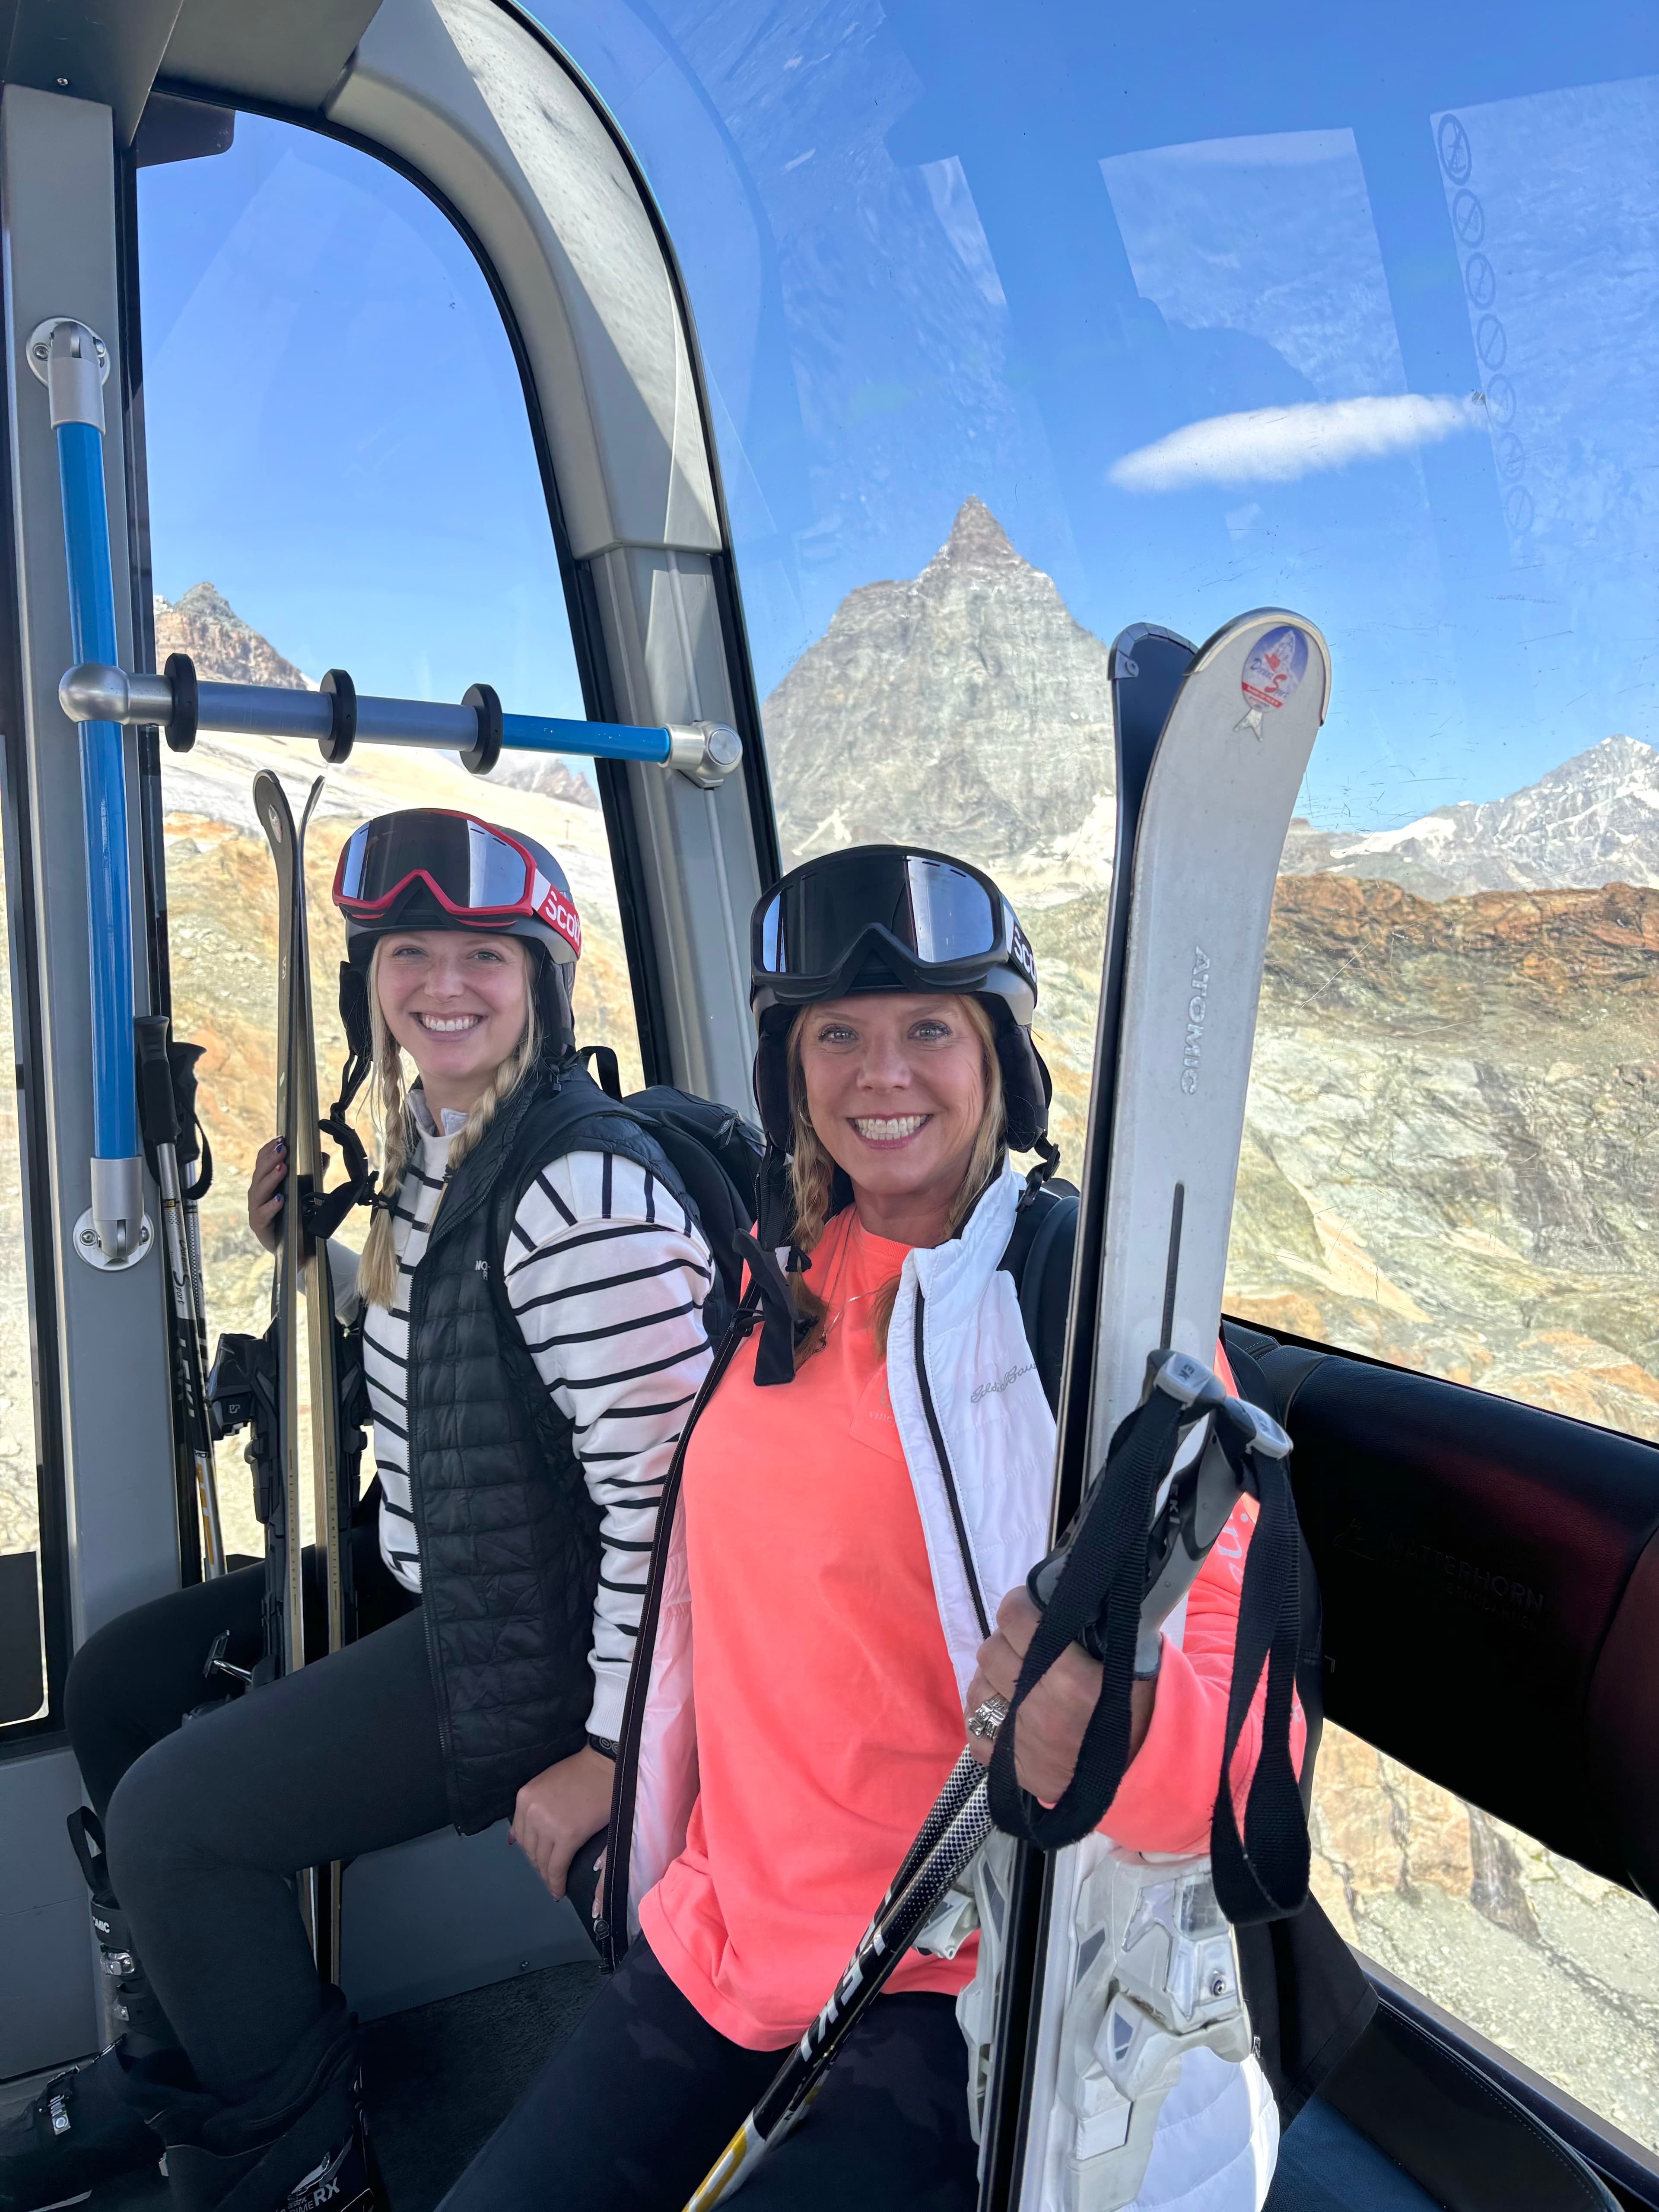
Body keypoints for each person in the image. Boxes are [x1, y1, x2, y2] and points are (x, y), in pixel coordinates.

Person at [438, 844, 1291, 2212]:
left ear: (1000, 1057)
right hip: (728, 1926)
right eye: (837, 1034)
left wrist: (1111, 1712)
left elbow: (1254, 1761)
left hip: (950, 1962)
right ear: (791, 1071)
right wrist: (620, 1762)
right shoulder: (777, 1288)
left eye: (929, 1031)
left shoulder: (1081, 1318)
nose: (879, 1075)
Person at [0, 809, 714, 2212]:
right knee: (120, 1684)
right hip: (449, 1576)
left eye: (482, 957)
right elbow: (439, 1362)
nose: (441, 983)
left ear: (544, 984)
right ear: (366, 982)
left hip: (550, 1653)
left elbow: (675, 1502)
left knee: (174, 1826)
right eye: (407, 954)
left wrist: (612, 1750)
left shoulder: (578, 1186)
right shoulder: (436, 1142)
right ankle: (184, 2060)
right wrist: (309, 1255)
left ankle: (306, 2176)